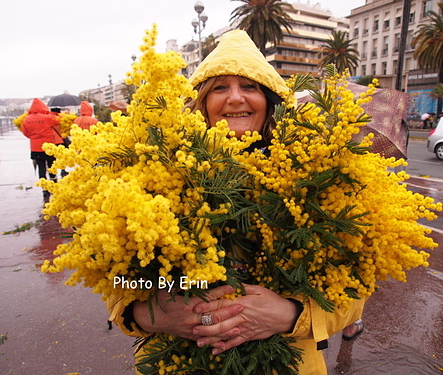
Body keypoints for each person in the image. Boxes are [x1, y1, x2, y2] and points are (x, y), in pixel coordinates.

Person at [107, 30, 365, 375]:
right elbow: (119, 281)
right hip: (176, 363)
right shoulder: (150, 172)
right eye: (219, 87)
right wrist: (146, 311)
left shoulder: (318, 174)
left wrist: (292, 314)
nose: (235, 98)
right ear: (200, 100)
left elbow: (355, 289)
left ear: (270, 99)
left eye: (250, 86)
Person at [22, 98, 60, 197]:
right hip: (49, 146)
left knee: (41, 167)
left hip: (35, 147)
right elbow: (59, 121)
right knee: (52, 166)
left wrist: (35, 137)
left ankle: (44, 188)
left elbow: (26, 133)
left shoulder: (27, 119)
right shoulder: (48, 117)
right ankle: (54, 184)